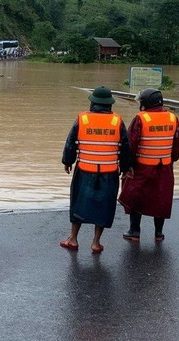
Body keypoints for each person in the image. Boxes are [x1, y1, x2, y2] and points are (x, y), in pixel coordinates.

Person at [60, 86, 131, 254]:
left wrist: (67, 161)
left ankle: (73, 239)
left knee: (78, 204)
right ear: (109, 105)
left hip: (85, 171)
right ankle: (96, 243)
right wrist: (126, 168)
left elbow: (71, 143)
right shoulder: (117, 121)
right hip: (110, 173)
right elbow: (125, 148)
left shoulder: (82, 119)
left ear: (92, 103)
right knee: (104, 207)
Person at [118, 88, 179, 242]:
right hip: (165, 167)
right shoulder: (173, 118)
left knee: (135, 197)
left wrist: (127, 166)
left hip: (142, 167)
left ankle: (134, 231)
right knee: (161, 198)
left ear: (145, 103)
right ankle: (158, 234)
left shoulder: (140, 119)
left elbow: (131, 144)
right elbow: (177, 145)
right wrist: (170, 159)